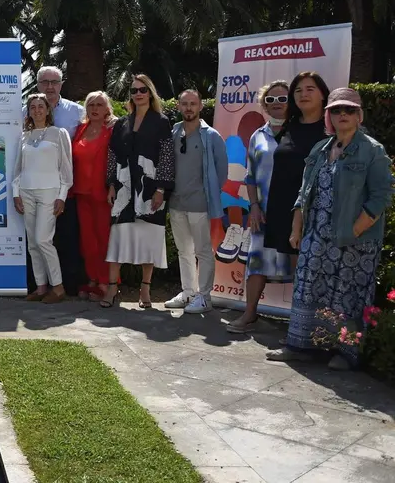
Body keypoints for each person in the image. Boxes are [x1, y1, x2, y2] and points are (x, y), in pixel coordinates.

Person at [267, 88, 393, 369]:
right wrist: (296, 230)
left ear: (359, 115)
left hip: (355, 243)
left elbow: (381, 196)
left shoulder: (372, 150)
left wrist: (355, 231)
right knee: (307, 291)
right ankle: (300, 346)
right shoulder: (320, 150)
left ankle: (344, 354)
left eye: (349, 110)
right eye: (336, 110)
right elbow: (304, 192)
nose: (342, 115)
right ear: (329, 116)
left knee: (347, 295)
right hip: (316, 235)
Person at [103, 74, 175, 308]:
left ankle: (145, 290)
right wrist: (112, 183)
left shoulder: (161, 121)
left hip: (150, 190)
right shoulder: (122, 123)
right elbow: (112, 154)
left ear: (150, 92)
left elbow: (166, 157)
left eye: (143, 90)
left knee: (148, 239)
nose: (138, 94)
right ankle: (112, 289)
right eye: (134, 91)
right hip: (124, 189)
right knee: (118, 237)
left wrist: (162, 189)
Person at [226, 81, 291, 333]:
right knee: (256, 263)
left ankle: (300, 324)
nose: (276, 104)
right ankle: (249, 314)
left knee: (297, 263)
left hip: (294, 212)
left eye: (282, 99)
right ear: (264, 105)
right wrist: (253, 205)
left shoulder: (301, 132)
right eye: (271, 100)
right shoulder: (258, 135)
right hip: (262, 211)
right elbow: (250, 176)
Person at [164, 90, 228, 314]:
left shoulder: (211, 136)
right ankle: (188, 292)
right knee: (184, 251)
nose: (189, 108)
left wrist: (206, 192)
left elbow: (221, 171)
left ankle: (204, 296)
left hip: (199, 203)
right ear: (179, 106)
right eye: (184, 104)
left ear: (200, 106)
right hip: (176, 202)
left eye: (193, 104)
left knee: (203, 251)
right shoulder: (174, 131)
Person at [12, 93, 73, 304]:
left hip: (50, 192)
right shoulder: (24, 136)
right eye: (33, 107)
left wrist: (62, 196)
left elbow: (66, 169)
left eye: (41, 106)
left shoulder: (58, 133)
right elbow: (18, 168)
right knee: (32, 244)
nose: (37, 110)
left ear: (48, 110)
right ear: (28, 111)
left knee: (43, 239)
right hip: (26, 191)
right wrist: (15, 193)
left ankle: (58, 287)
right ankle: (41, 287)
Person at [33, 66, 85, 295]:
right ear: (37, 85)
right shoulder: (28, 111)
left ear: (62, 84)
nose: (50, 87)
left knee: (66, 237)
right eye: (45, 82)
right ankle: (41, 285)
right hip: (35, 187)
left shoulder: (77, 111)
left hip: (66, 188)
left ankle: (68, 286)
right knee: (39, 240)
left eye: (54, 82)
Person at [72, 91, 115, 300]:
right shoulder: (81, 129)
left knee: (104, 238)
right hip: (81, 192)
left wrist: (114, 186)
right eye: (91, 105)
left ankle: (106, 282)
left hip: (103, 193)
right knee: (87, 240)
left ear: (107, 108)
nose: (95, 109)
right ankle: (92, 279)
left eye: (99, 104)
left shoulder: (112, 130)